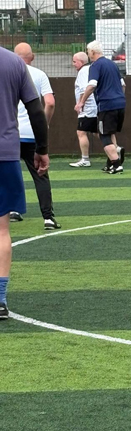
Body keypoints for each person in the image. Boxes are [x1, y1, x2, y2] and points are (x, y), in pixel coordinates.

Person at [0, 45, 50, 319]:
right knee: (1, 230)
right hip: (6, 155)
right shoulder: (14, 63)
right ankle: (0, 299)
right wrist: (42, 149)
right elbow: (36, 110)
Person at [10, 43, 60, 230]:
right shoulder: (39, 74)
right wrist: (43, 125)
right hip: (32, 134)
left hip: (10, 133)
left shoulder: (7, 72)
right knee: (40, 174)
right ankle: (48, 218)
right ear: (32, 57)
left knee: (11, 173)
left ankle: (13, 210)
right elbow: (50, 102)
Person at [75, 40, 126, 174]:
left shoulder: (95, 66)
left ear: (92, 52)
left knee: (104, 135)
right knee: (110, 133)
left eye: (88, 52)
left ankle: (116, 165)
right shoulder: (113, 64)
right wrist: (120, 98)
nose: (88, 54)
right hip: (120, 104)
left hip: (106, 105)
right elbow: (123, 84)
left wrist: (81, 102)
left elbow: (92, 85)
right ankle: (110, 163)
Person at [70, 51, 98, 168]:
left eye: (74, 61)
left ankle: (85, 159)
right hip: (95, 107)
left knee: (81, 132)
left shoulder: (82, 71)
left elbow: (83, 89)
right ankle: (115, 149)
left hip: (87, 108)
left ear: (81, 62)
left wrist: (80, 104)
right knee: (97, 132)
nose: (73, 64)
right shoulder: (91, 69)